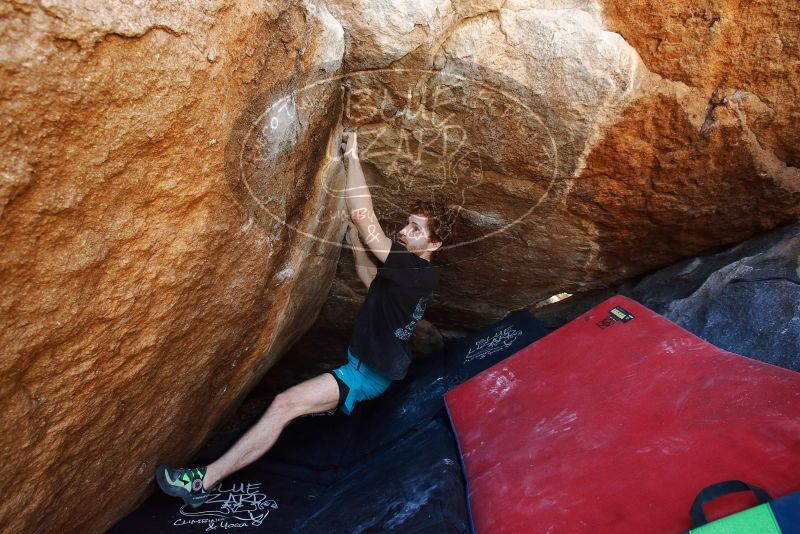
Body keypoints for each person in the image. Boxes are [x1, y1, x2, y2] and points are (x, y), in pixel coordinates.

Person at [155, 130, 453, 507]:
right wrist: (356, 244)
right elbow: (371, 281)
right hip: (367, 365)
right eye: (407, 224)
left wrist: (353, 159)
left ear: (434, 245)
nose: (404, 232)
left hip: (366, 374)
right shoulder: (415, 273)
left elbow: (364, 217)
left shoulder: (416, 270)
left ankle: (201, 484)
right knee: (289, 406)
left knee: (283, 405)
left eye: (415, 230)